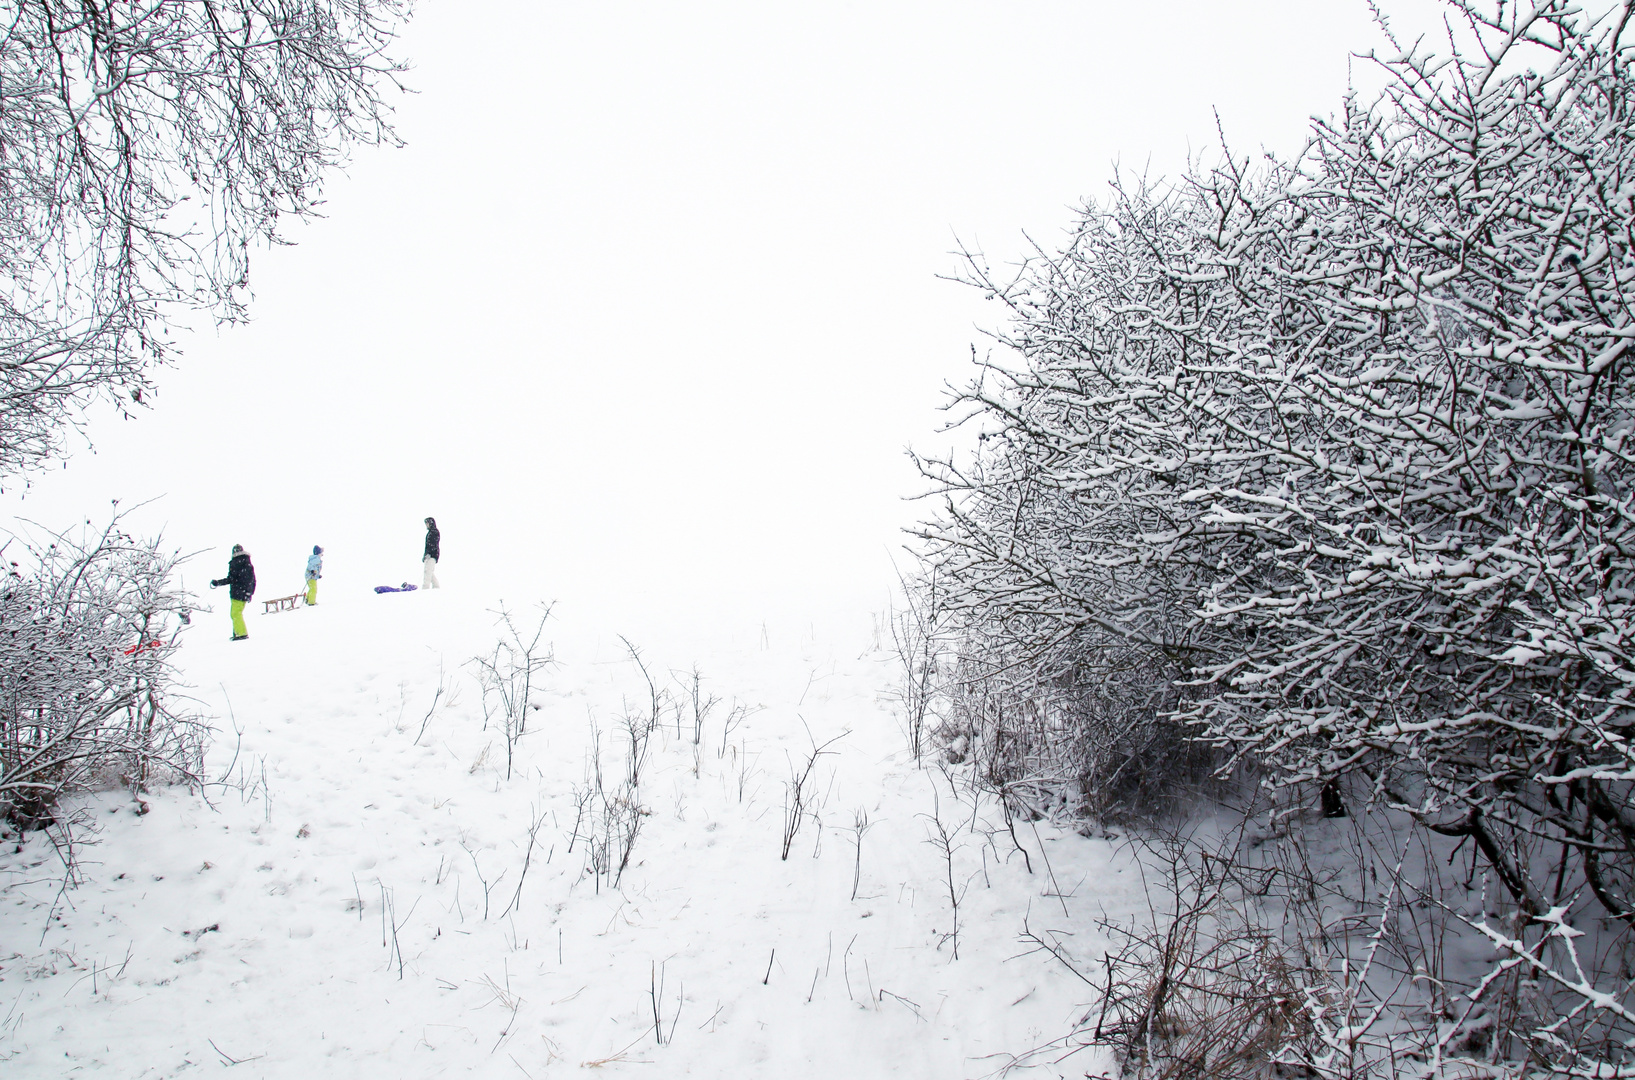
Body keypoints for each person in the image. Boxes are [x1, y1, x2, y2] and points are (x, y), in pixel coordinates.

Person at [209, 544, 257, 641]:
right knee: (235, 613)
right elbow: (252, 580)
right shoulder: (246, 563)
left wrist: (218, 583)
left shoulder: (236, 563)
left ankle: (241, 633)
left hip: (238, 592)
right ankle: (237, 633)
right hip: (242, 592)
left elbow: (231, 579)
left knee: (235, 613)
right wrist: (249, 592)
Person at [422, 516, 441, 589]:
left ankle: (425, 588)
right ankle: (436, 587)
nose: (426, 525)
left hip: (432, 555)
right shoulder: (430, 533)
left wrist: (430, 553)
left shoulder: (434, 532)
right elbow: (427, 546)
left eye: (427, 523)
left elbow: (433, 544)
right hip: (430, 555)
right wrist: (425, 555)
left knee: (427, 571)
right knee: (429, 572)